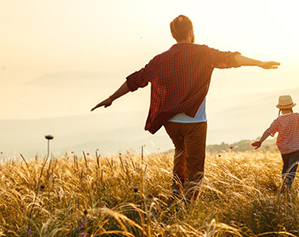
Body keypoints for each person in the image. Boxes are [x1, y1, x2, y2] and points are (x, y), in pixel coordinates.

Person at [91, 15, 280, 199]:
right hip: (194, 121)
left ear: (174, 34)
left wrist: (111, 98)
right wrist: (259, 63)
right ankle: (189, 204)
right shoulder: (203, 53)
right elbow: (230, 58)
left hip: (170, 122)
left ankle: (176, 191)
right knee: (195, 166)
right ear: (191, 32)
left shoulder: (160, 59)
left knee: (180, 152)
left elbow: (136, 80)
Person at [251, 95, 299, 194]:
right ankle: (285, 190)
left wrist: (260, 141)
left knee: (286, 168)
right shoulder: (297, 116)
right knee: (292, 170)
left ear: (280, 109)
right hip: (296, 148)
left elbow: (268, 131)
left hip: (284, 148)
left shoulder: (278, 120)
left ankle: (283, 190)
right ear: (291, 107)